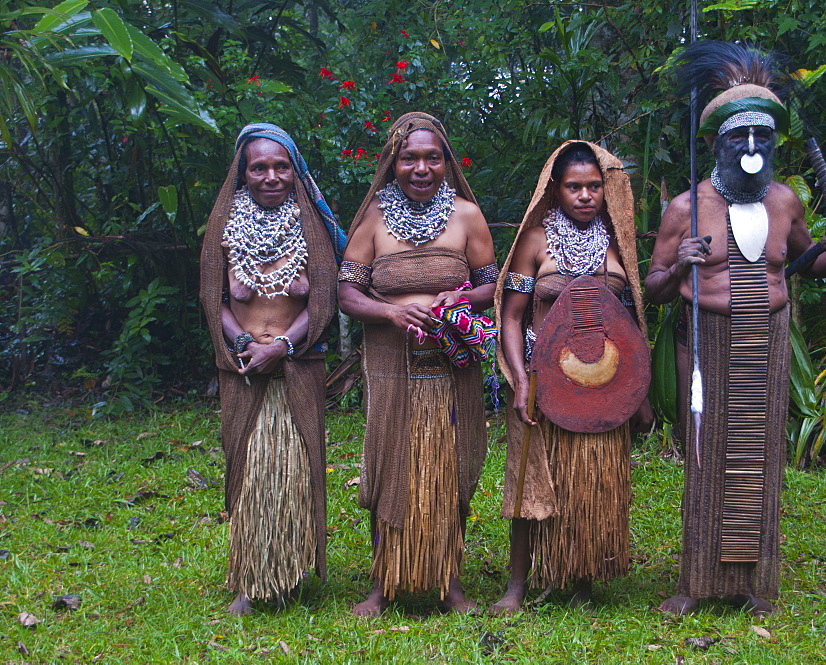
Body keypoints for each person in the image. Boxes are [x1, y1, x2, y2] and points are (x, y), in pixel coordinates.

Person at [645, 42, 826, 615]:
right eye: (738, 138)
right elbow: (650, 288)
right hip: (705, 340)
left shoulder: (785, 202)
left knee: (758, 455)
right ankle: (695, 583)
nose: (751, 148)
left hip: (767, 338)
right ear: (714, 144)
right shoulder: (686, 208)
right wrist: (681, 263)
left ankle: (756, 583)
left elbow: (809, 263)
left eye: (763, 138)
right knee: (705, 454)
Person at [338, 112, 497, 616]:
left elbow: (494, 284)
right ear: (393, 164)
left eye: (432, 157)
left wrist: (461, 300)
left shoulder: (468, 216)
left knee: (449, 472)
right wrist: (389, 310)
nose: (421, 167)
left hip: (452, 369)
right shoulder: (372, 220)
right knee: (389, 470)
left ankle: (449, 584)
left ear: (447, 163)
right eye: (410, 158)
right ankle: (383, 584)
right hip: (392, 368)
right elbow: (346, 292)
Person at [490, 141, 649, 614]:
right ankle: (518, 583)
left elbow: (633, 318)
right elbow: (512, 317)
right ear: (554, 189)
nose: (585, 195)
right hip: (544, 381)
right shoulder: (535, 241)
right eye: (574, 186)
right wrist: (521, 379)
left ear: (606, 189)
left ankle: (581, 576)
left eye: (594, 186)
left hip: (605, 384)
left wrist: (637, 393)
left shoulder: (620, 240)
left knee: (591, 482)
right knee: (531, 480)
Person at [200, 123, 346, 615]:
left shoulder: (310, 228)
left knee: (296, 469)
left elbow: (324, 299)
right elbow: (212, 298)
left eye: (281, 166)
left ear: (295, 171)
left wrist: (281, 345)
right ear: (242, 174)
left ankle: (289, 568)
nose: (271, 176)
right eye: (258, 167)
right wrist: (243, 342)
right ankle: (251, 578)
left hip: (295, 366)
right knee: (247, 467)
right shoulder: (224, 228)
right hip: (243, 369)